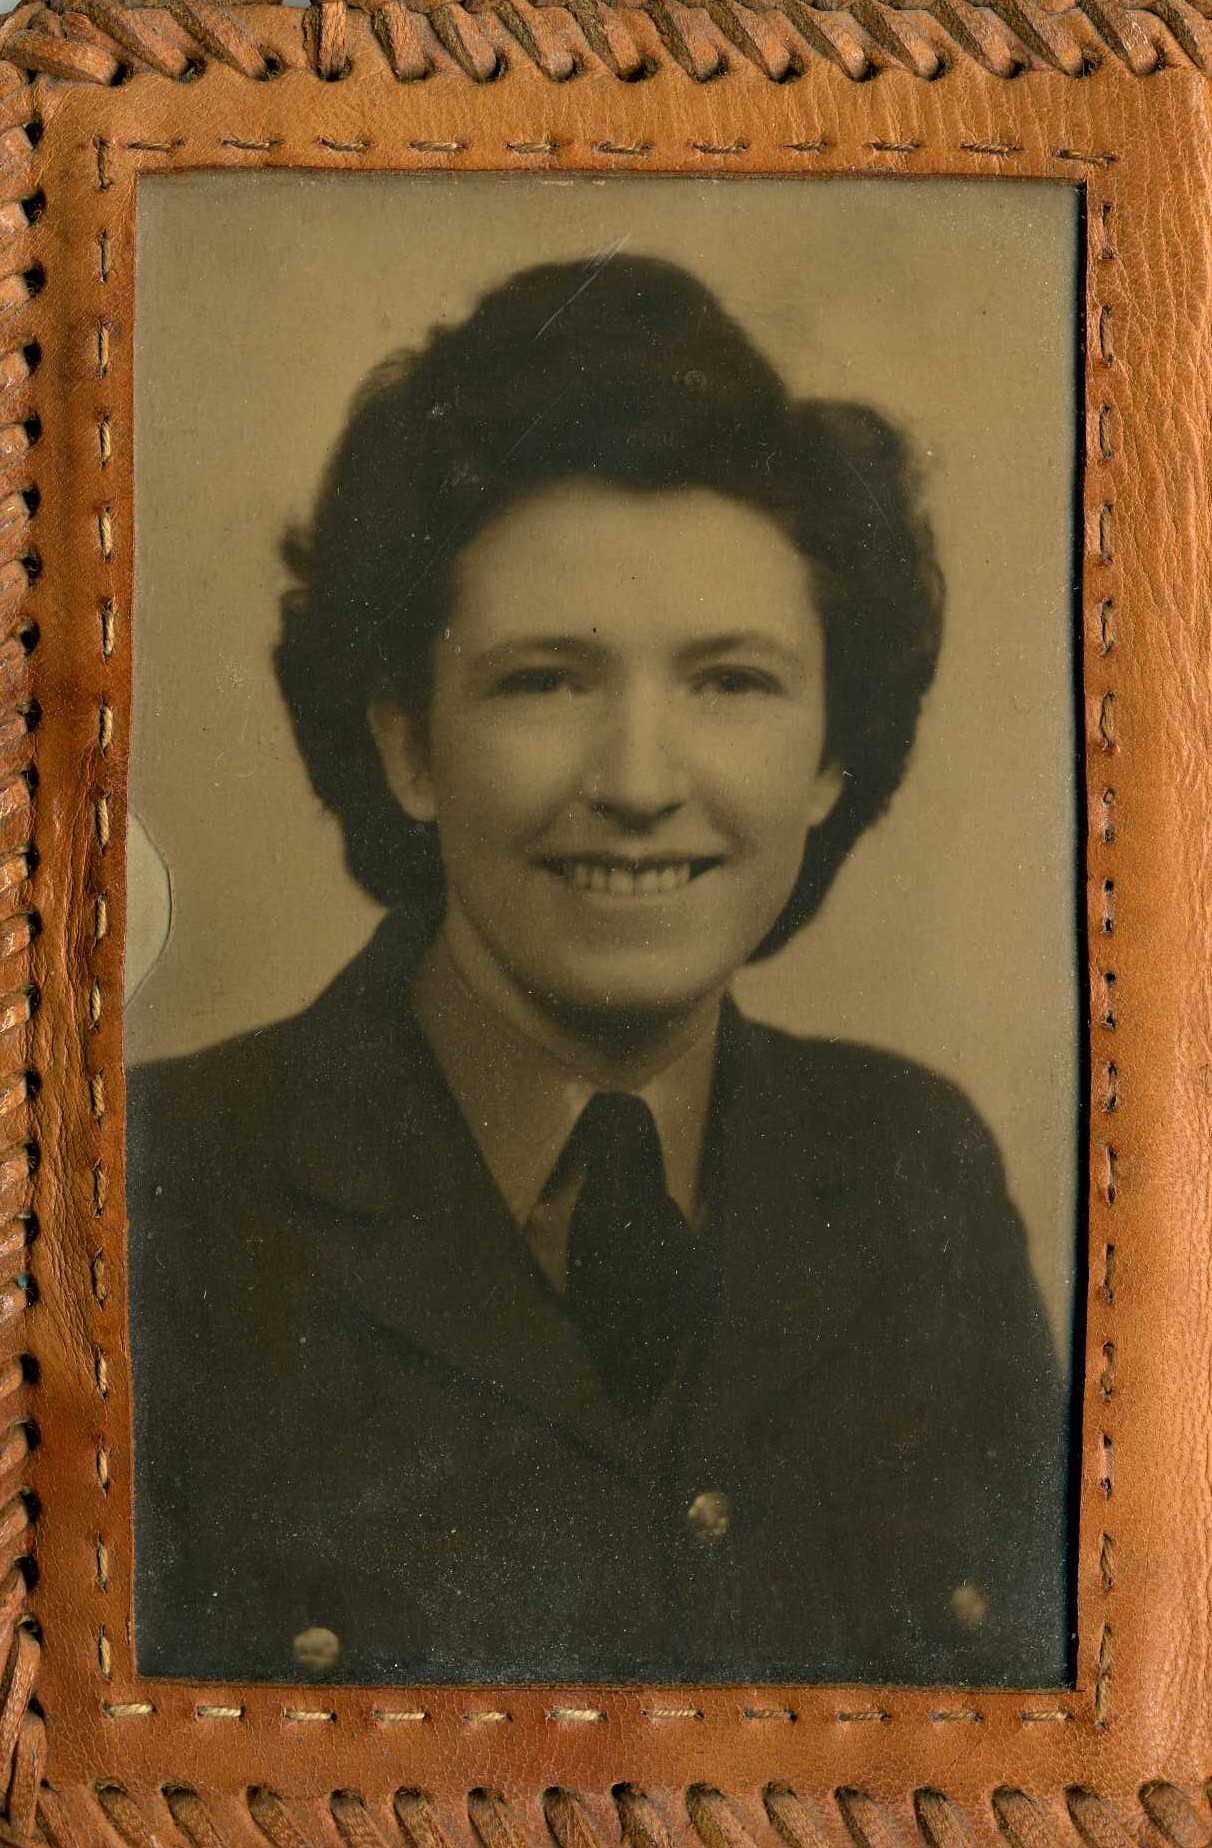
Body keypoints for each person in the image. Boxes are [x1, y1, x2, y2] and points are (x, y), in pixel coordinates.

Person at [127, 255, 1071, 1688]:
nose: (638, 783)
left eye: (732, 681)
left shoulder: (913, 1172)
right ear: (406, 742)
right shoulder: (154, 1191)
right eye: (544, 680)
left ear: (831, 753)